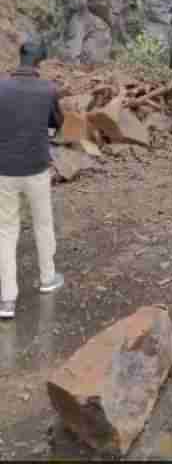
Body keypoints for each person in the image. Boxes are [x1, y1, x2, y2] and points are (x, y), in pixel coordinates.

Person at [0, 39, 64, 320]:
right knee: (42, 223)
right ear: (40, 61)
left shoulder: (1, 87)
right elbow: (57, 123)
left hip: (4, 170)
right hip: (37, 169)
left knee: (6, 230)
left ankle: (7, 299)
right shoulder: (48, 90)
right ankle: (48, 278)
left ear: (21, 58)